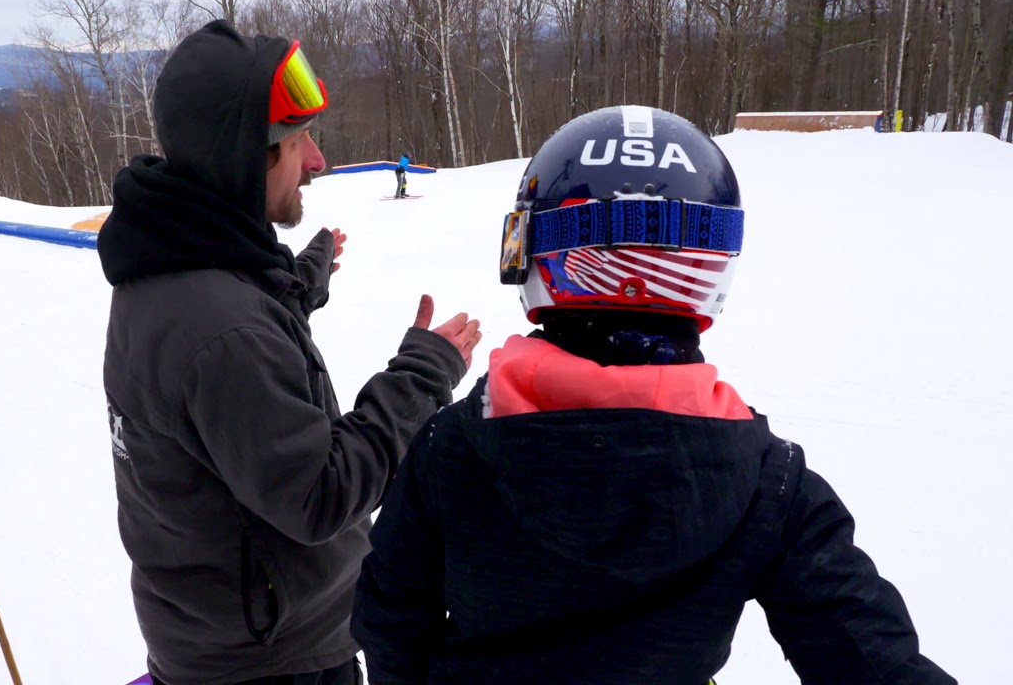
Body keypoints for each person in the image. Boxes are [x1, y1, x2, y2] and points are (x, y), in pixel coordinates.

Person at [350, 106, 956, 684]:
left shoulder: (452, 445)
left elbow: (390, 618)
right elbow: (868, 658)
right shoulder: (766, 477)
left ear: (538, 253)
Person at [97, 20, 482, 685]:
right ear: (244, 158)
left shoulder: (167, 264)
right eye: (298, 140)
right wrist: (422, 375)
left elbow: (232, 377)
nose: (317, 160)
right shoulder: (224, 333)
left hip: (222, 634)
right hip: (273, 660)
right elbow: (320, 495)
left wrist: (300, 282)